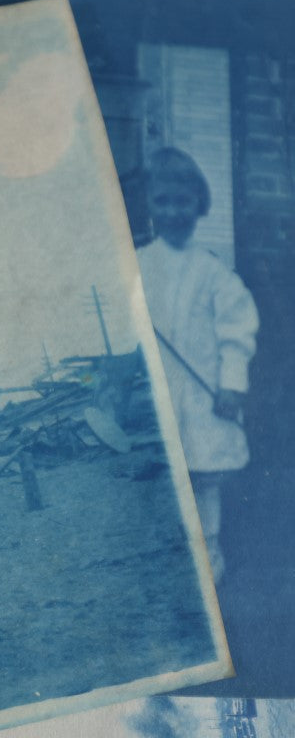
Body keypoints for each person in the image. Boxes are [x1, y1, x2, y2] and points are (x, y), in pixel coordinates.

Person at [136, 147, 258, 584]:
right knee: (167, 482)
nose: (172, 212)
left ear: (198, 205)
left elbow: (236, 333)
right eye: (162, 201)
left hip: (204, 392)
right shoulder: (139, 265)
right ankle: (174, 564)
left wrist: (231, 384)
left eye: (182, 202)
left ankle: (211, 558)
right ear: (149, 203)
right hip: (161, 393)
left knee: (204, 480)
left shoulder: (213, 271)